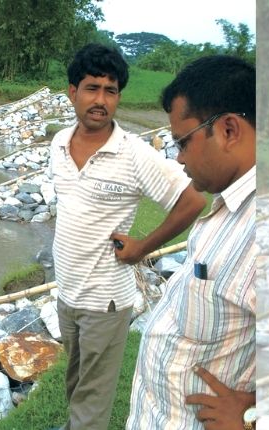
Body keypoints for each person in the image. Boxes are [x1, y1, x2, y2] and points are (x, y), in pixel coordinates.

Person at [48, 43, 206, 430]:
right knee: (76, 382)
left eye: (111, 90)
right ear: (72, 92)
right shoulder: (58, 144)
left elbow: (191, 201)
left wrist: (141, 248)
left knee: (93, 398)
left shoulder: (134, 155)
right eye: (91, 88)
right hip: (67, 294)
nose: (101, 100)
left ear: (119, 96)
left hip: (105, 301)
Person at [125, 55, 257, 429]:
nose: (179, 158)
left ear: (228, 130)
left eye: (182, 142)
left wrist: (253, 414)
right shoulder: (230, 206)